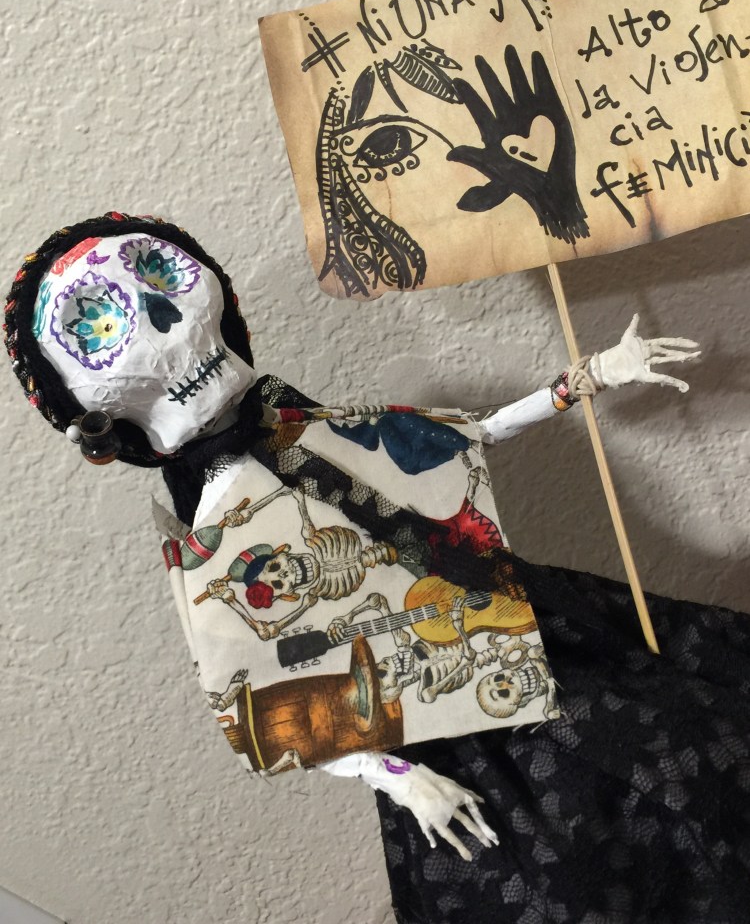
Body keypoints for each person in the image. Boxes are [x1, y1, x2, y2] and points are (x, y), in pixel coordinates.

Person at [7, 212, 750, 924]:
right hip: (436, 726)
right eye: (94, 327)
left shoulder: (315, 433)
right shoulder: (215, 540)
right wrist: (401, 779)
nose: (166, 321)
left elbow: (469, 437)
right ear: (89, 417)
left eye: (161, 275)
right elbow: (266, 705)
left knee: (702, 745)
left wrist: (589, 377)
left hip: (526, 628)